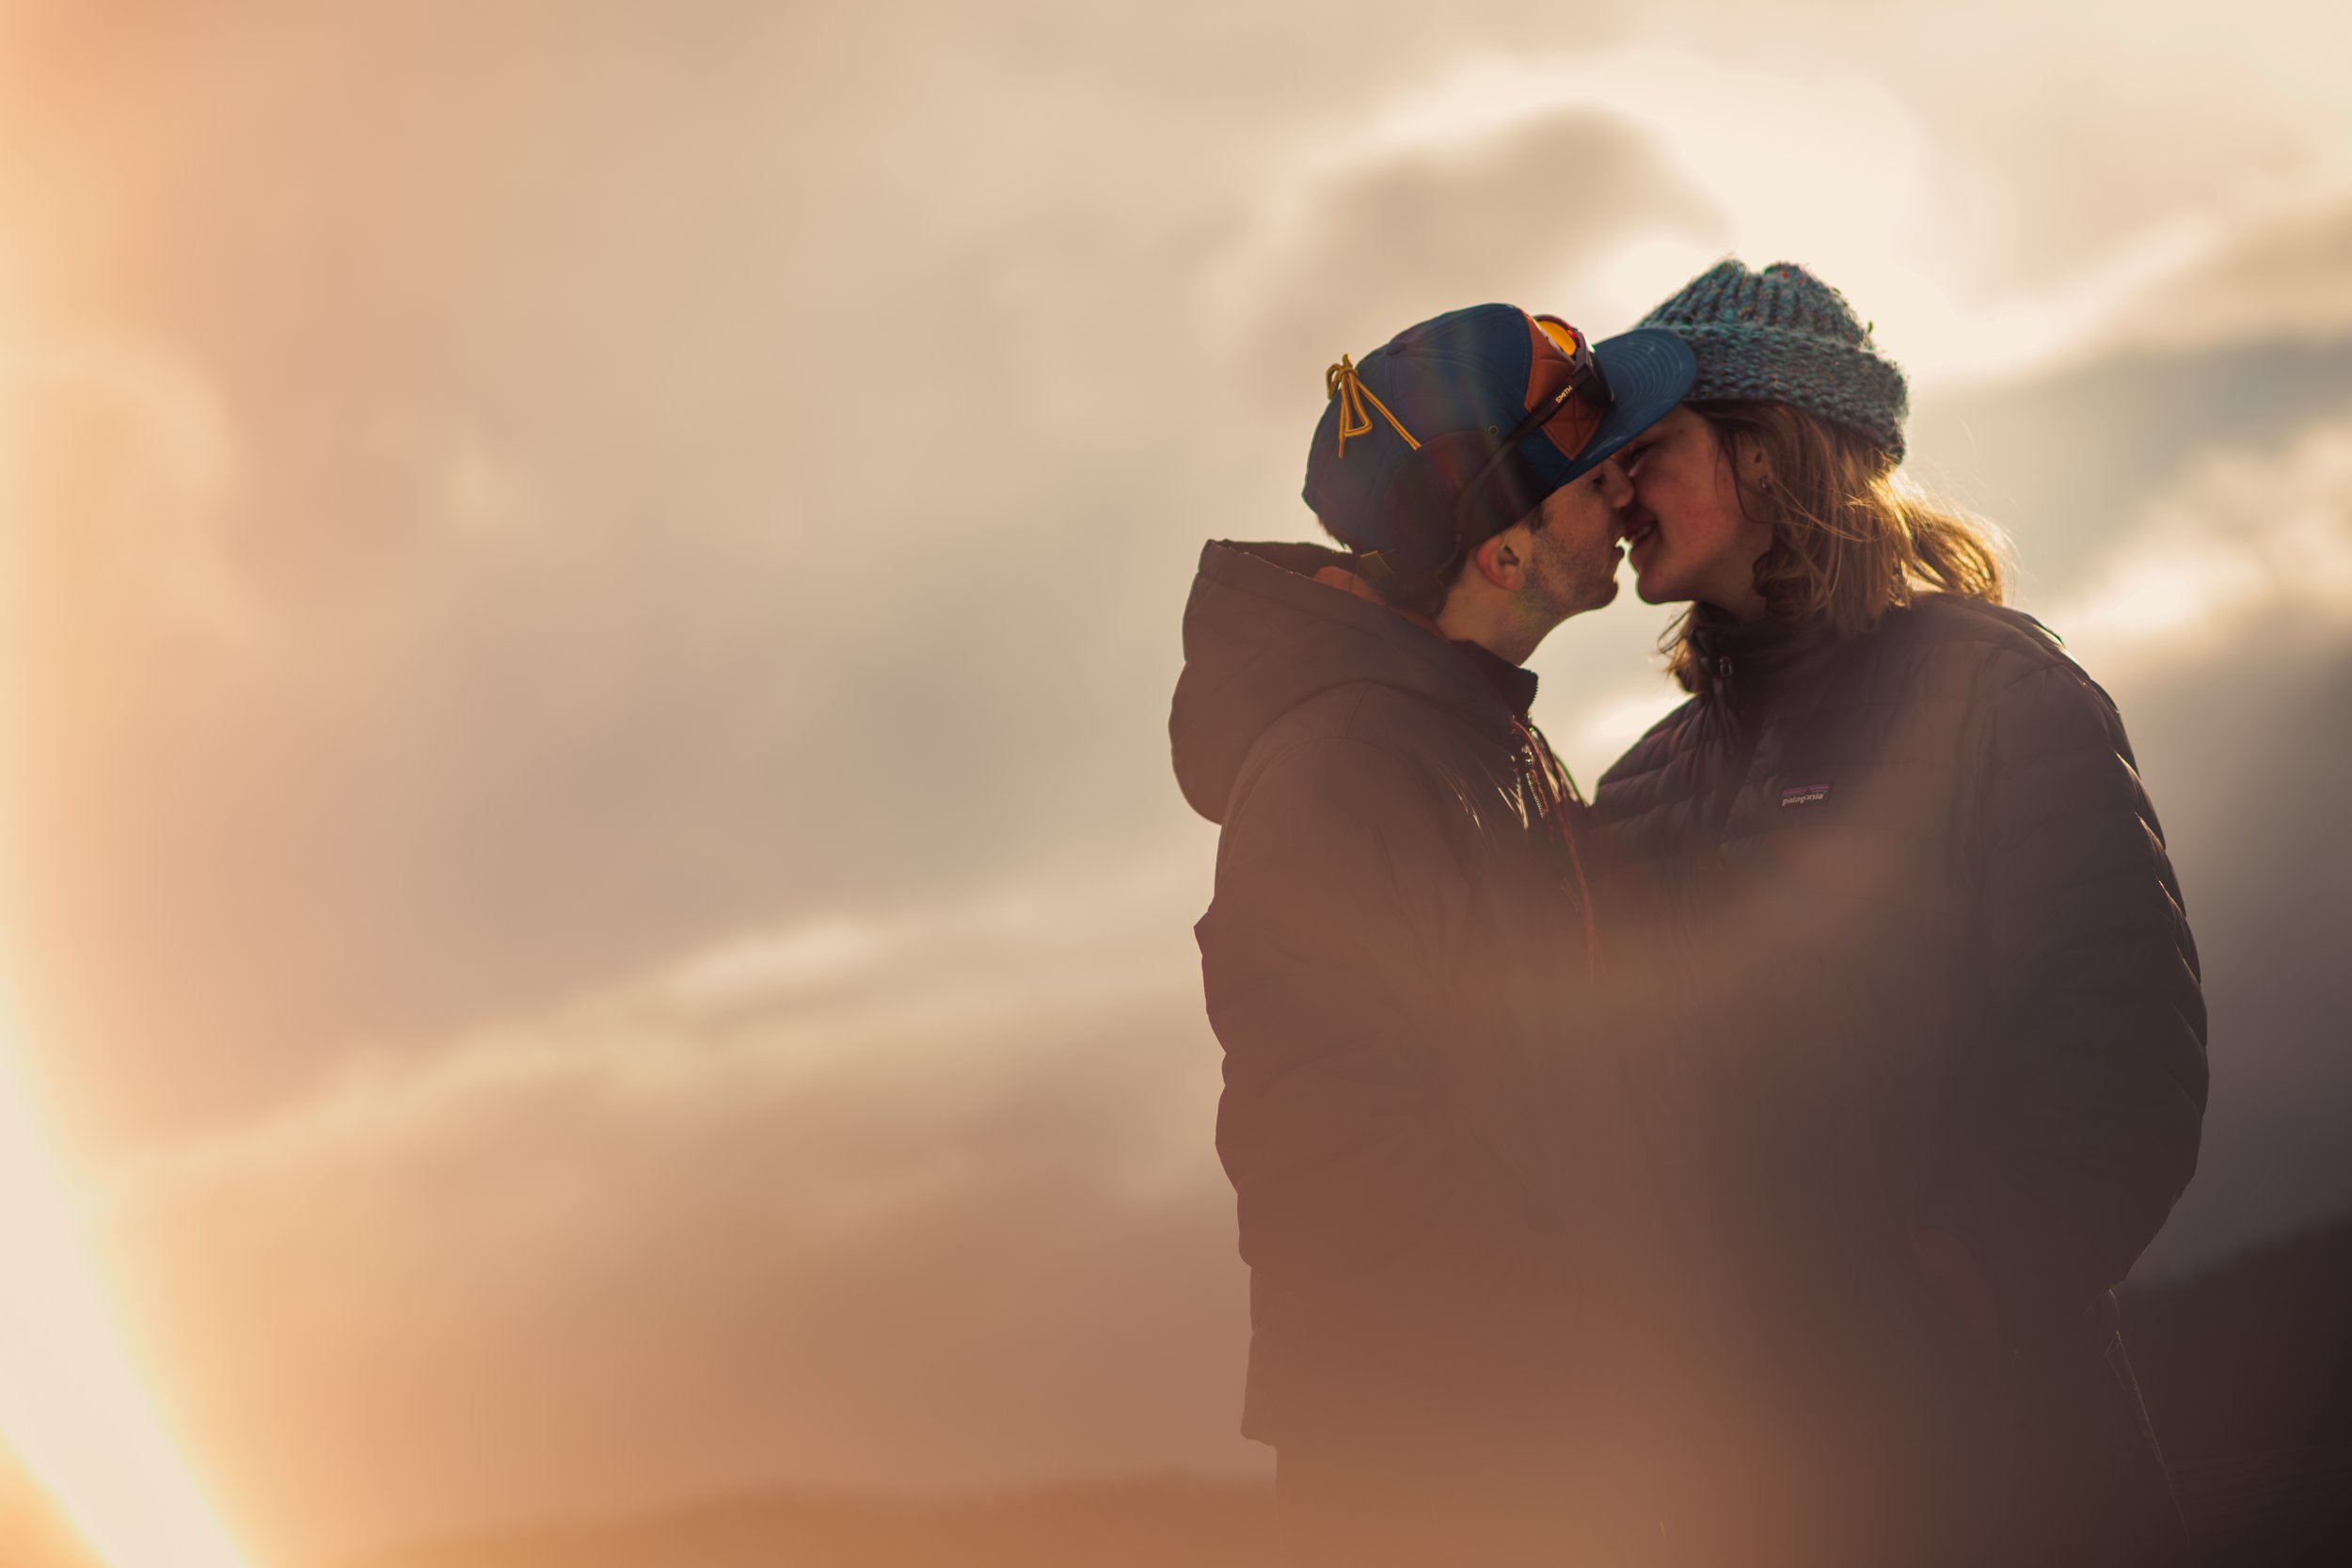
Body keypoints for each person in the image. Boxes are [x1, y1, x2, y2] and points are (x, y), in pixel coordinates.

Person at [1588, 259, 2209, 1567]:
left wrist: (1944, 1297)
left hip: (2004, 1474)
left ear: (1767, 457)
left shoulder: (1994, 692)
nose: (1615, 489)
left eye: (1649, 450)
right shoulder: (1636, 788)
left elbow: (2124, 1054)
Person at [1169, 303, 1694, 1565]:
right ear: (1503, 553)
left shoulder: (1471, 737)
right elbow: (1327, 1174)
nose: (1625, 477)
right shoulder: (1342, 767)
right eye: (1588, 460)